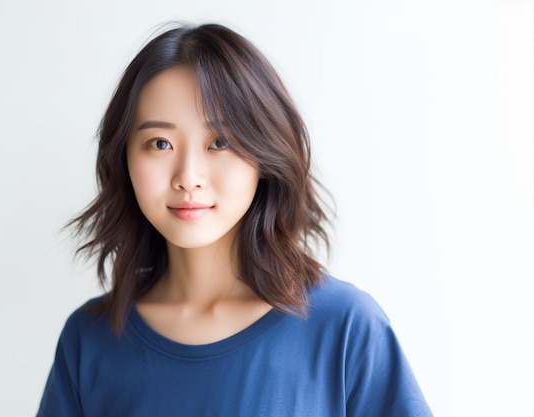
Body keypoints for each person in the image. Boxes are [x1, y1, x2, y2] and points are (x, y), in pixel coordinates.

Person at [36, 23, 433, 417]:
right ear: (124, 158)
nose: (188, 176)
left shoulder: (345, 328)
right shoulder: (89, 342)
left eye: (220, 143)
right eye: (160, 143)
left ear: (264, 156)